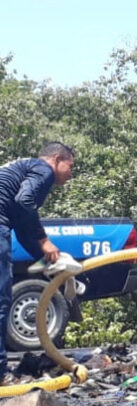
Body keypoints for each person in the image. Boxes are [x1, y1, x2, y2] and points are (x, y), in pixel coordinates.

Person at [0, 142, 75, 381]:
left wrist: (45, 257)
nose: (71, 174)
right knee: (1, 301)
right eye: (70, 166)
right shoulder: (43, 170)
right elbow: (24, 201)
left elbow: (22, 228)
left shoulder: (24, 168)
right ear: (56, 159)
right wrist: (44, 240)